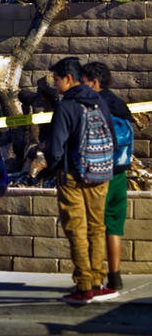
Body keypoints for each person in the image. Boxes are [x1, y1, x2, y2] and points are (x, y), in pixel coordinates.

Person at [44, 57, 117, 304]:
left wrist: (55, 169)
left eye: (55, 79)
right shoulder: (99, 100)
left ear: (67, 78)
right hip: (101, 174)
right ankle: (98, 281)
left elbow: (55, 146)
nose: (54, 84)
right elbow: (112, 136)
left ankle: (84, 285)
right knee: (97, 228)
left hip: (73, 176)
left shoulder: (66, 106)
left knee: (77, 230)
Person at [81, 62, 132, 292]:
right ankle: (115, 276)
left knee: (94, 226)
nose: (81, 86)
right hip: (122, 173)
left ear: (94, 82)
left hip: (101, 174)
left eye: (83, 82)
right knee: (114, 226)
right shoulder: (120, 104)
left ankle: (94, 277)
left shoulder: (96, 104)